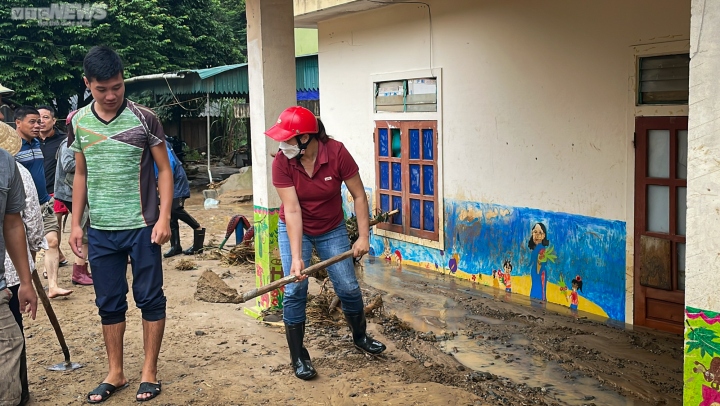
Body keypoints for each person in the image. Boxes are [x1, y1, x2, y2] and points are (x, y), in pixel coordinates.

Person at [68, 45, 172, 403]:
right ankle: (116, 372)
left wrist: (164, 217)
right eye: (102, 89)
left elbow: (164, 170)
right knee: (108, 302)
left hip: (143, 227)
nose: (111, 95)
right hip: (101, 229)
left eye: (117, 86)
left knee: (149, 298)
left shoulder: (145, 118)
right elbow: (80, 173)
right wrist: (77, 223)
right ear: (88, 84)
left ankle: (149, 372)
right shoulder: (78, 121)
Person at [266, 106, 386, 381]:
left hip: (331, 228)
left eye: (287, 139)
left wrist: (364, 236)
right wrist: (297, 257)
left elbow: (359, 195)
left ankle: (360, 337)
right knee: (296, 289)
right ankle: (299, 357)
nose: (281, 145)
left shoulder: (337, 153)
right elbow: (292, 210)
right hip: (295, 228)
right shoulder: (282, 162)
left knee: (347, 287)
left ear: (306, 138)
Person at [0, 120, 43, 405]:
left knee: (11, 343)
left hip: (3, 280)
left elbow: (15, 222)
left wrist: (26, 280)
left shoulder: (6, 164)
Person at [14, 106, 72, 298]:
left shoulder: (37, 144)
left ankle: (53, 285)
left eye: (39, 121)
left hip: (45, 202)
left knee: (53, 241)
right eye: (32, 122)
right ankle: (25, 286)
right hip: (22, 207)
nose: (37, 125)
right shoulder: (11, 149)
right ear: (18, 123)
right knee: (27, 249)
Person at [54, 136, 93, 286]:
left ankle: (83, 268)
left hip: (75, 191)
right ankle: (79, 271)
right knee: (83, 229)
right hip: (70, 192)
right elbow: (68, 164)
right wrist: (92, 159)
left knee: (86, 227)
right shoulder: (69, 142)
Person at [157, 141, 205, 258]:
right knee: (171, 214)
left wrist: (160, 183)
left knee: (175, 209)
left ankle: (197, 229)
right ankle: (175, 246)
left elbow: (170, 165)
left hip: (176, 180)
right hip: (169, 180)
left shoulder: (159, 142)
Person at [37, 105, 70, 266]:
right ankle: (60, 256)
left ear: (54, 120)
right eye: (38, 118)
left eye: (45, 117)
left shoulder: (64, 140)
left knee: (53, 227)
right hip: (35, 191)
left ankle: (50, 264)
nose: (41, 121)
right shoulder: (31, 141)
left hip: (55, 190)